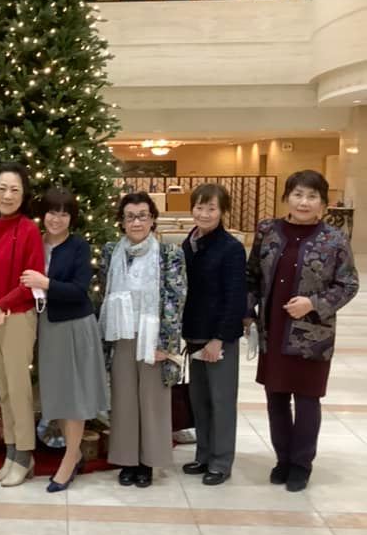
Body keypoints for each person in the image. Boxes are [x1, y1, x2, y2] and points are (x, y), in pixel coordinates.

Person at [246, 170, 359, 491]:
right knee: (276, 398)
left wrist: (313, 303)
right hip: (273, 331)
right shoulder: (268, 230)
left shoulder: (334, 239)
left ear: (322, 202)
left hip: (313, 336)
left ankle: (301, 464)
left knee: (308, 400)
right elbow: (251, 275)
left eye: (312, 196)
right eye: (297, 194)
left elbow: (349, 284)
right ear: (287, 197)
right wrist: (247, 312)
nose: (304, 202)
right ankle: (282, 459)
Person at [20, 187, 108, 492]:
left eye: (64, 213)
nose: (57, 219)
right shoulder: (35, 242)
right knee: (56, 394)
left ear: (72, 218)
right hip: (46, 326)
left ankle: (71, 457)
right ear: (42, 214)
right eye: (52, 212)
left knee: (74, 397)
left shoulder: (78, 246)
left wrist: (45, 282)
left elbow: (79, 290)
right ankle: (74, 453)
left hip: (74, 326)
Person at [100, 192, 186, 488]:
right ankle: (127, 461)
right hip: (121, 334)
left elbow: (176, 299)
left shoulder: (168, 254)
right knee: (123, 399)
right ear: (122, 222)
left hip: (153, 336)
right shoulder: (112, 252)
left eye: (142, 216)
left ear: (152, 220)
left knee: (152, 401)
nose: (136, 222)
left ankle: (148, 462)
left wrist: (167, 343)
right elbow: (104, 293)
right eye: (130, 217)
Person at [0, 162, 44, 487]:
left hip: (18, 318)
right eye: (2, 188)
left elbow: (31, 280)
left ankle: (25, 455)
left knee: (18, 390)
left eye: (15, 189)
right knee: (3, 390)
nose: (8, 195)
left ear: (23, 194)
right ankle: (12, 454)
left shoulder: (28, 230)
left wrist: (0, 305)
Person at [181, 183, 246, 486]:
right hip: (194, 334)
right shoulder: (189, 243)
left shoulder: (230, 248)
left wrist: (219, 339)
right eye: (199, 207)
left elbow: (235, 298)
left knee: (221, 400)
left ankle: (221, 461)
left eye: (211, 208)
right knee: (200, 400)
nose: (204, 214)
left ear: (222, 212)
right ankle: (203, 454)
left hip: (218, 338)